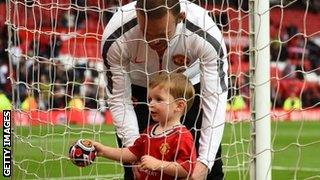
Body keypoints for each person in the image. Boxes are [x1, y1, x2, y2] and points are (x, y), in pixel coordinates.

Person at [101, 0, 228, 179]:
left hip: (189, 88)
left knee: (208, 171)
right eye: (146, 34)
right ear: (137, 17)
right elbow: (119, 98)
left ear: (180, 18)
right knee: (138, 171)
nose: (154, 41)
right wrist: (134, 153)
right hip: (141, 91)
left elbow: (215, 97)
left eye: (162, 34)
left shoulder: (204, 31)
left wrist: (205, 162)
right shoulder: (116, 35)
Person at [91, 73, 197, 179]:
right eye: (150, 99)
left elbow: (186, 169)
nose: (151, 104)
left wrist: (158, 164)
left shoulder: (182, 136)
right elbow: (132, 153)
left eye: (158, 99)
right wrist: (103, 150)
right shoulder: (149, 131)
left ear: (179, 106)